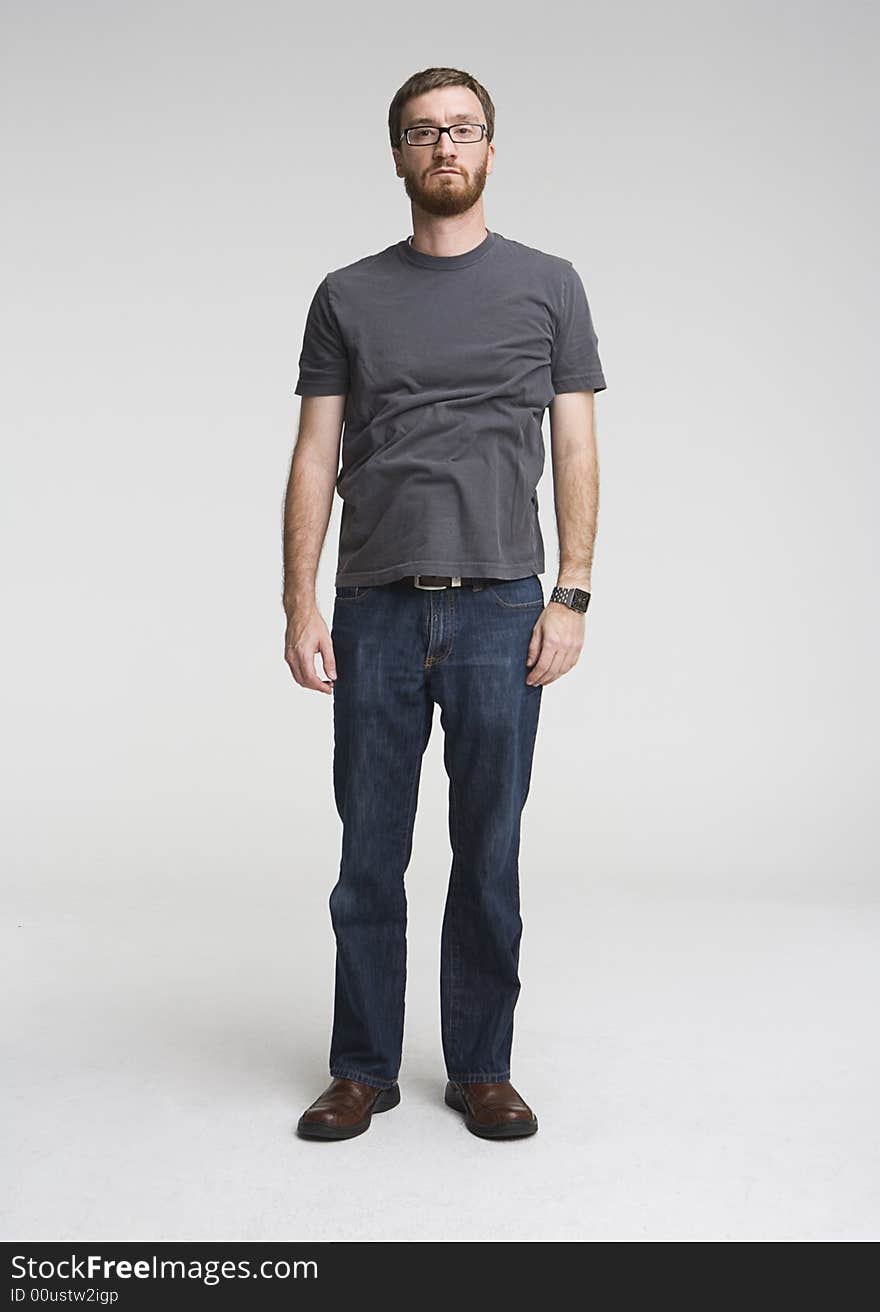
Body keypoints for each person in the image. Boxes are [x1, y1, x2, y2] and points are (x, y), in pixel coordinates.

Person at [283, 66, 607, 1141]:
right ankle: (362, 1067)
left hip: (501, 608)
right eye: (423, 132)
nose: (444, 148)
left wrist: (570, 594)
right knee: (368, 853)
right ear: (396, 155)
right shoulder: (346, 294)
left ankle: (481, 1066)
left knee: (489, 848)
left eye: (462, 130)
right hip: (374, 606)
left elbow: (574, 447)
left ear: (491, 150)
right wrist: (298, 600)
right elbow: (315, 451)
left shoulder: (549, 285)